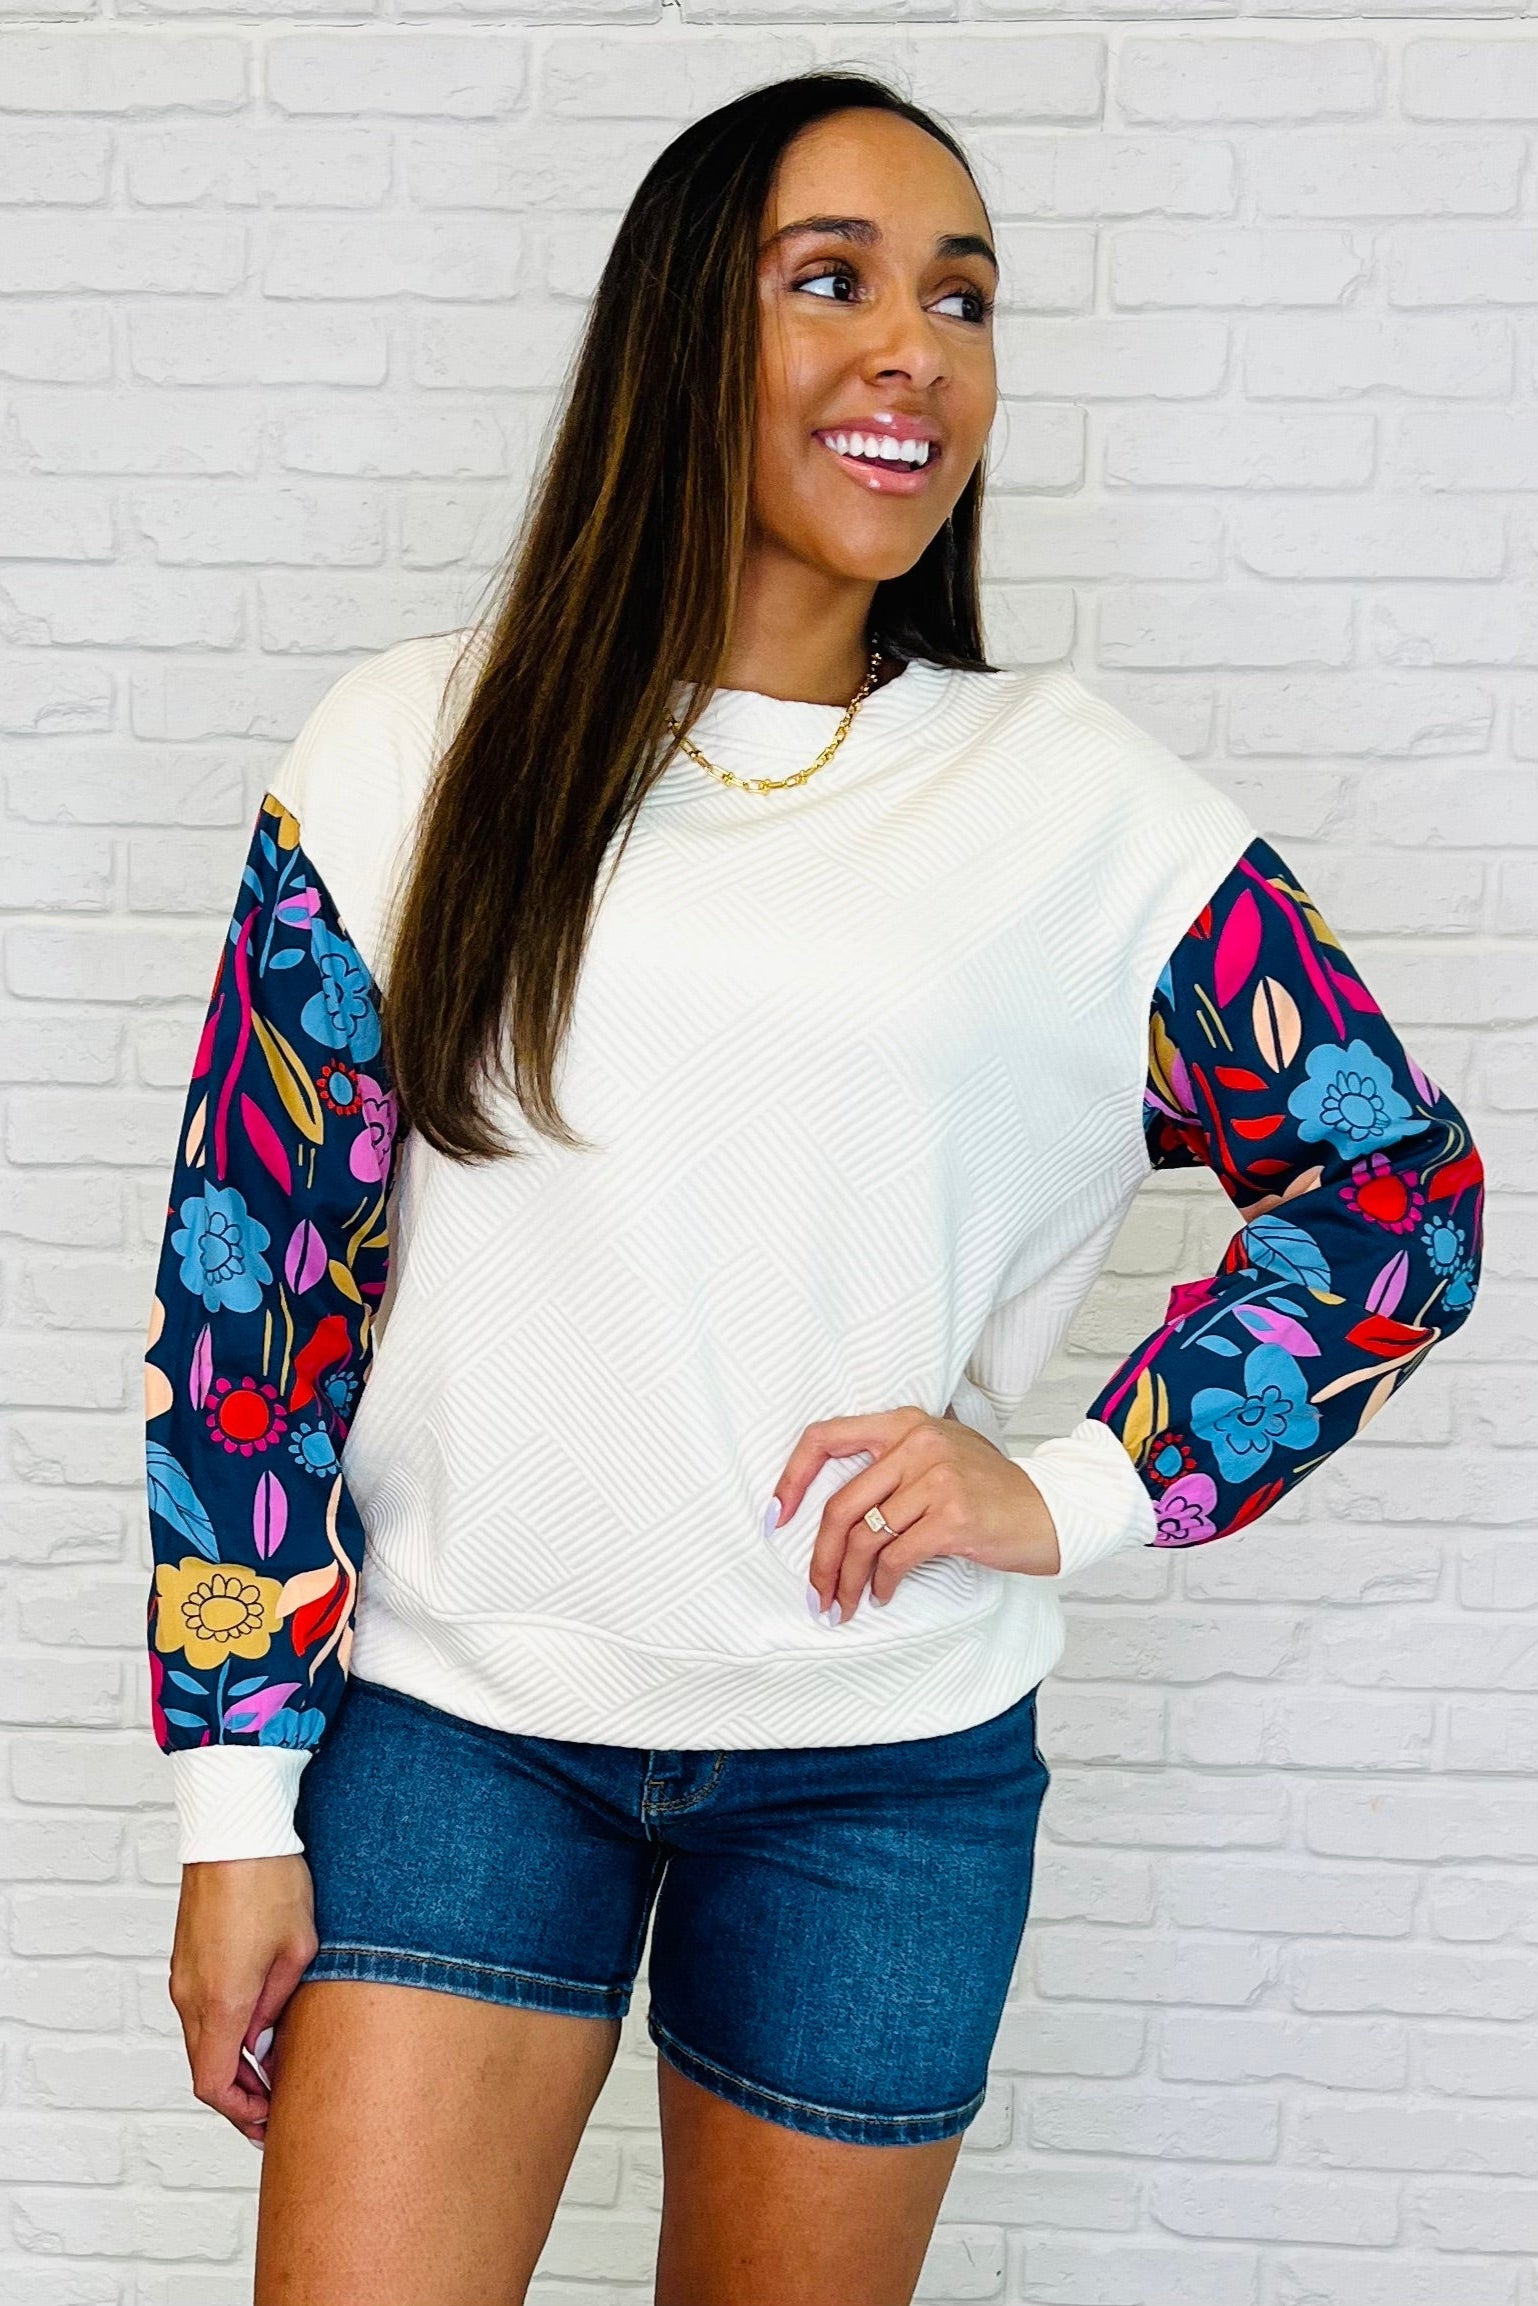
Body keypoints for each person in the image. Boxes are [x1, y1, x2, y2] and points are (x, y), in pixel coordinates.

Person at [142, 71, 1486, 2306]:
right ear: (684, 328)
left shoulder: (1080, 811)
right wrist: (229, 1812)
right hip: (460, 1737)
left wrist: (1076, 1483)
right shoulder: (401, 754)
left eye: (961, 298)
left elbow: (1395, 1193)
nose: (913, 352)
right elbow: (249, 1308)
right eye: (832, 281)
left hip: (881, 1781)